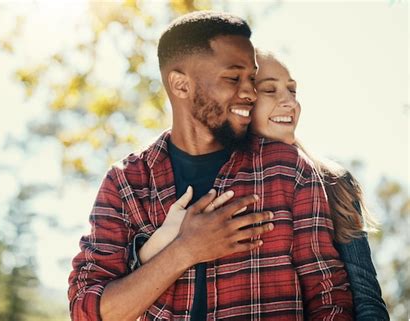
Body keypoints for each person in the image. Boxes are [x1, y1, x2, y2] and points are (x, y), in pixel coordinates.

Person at [68, 11, 353, 321]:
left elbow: (330, 300)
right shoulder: (127, 183)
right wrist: (185, 250)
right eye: (233, 78)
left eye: (252, 79)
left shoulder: (287, 171)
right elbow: (88, 311)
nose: (249, 93)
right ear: (180, 85)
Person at [134, 50, 390, 320]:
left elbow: (366, 297)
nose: (289, 102)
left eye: (293, 91)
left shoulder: (333, 181)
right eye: (269, 90)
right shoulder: (189, 181)